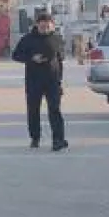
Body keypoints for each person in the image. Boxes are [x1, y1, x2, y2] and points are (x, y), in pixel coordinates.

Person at [13, 12, 67, 151]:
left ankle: (58, 139)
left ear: (52, 26)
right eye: (42, 26)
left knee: (54, 110)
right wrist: (32, 58)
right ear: (37, 25)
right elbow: (16, 55)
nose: (45, 29)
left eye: (48, 26)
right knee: (33, 111)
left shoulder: (57, 39)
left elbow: (60, 60)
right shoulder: (28, 39)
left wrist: (60, 81)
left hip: (52, 81)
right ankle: (35, 137)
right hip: (33, 81)